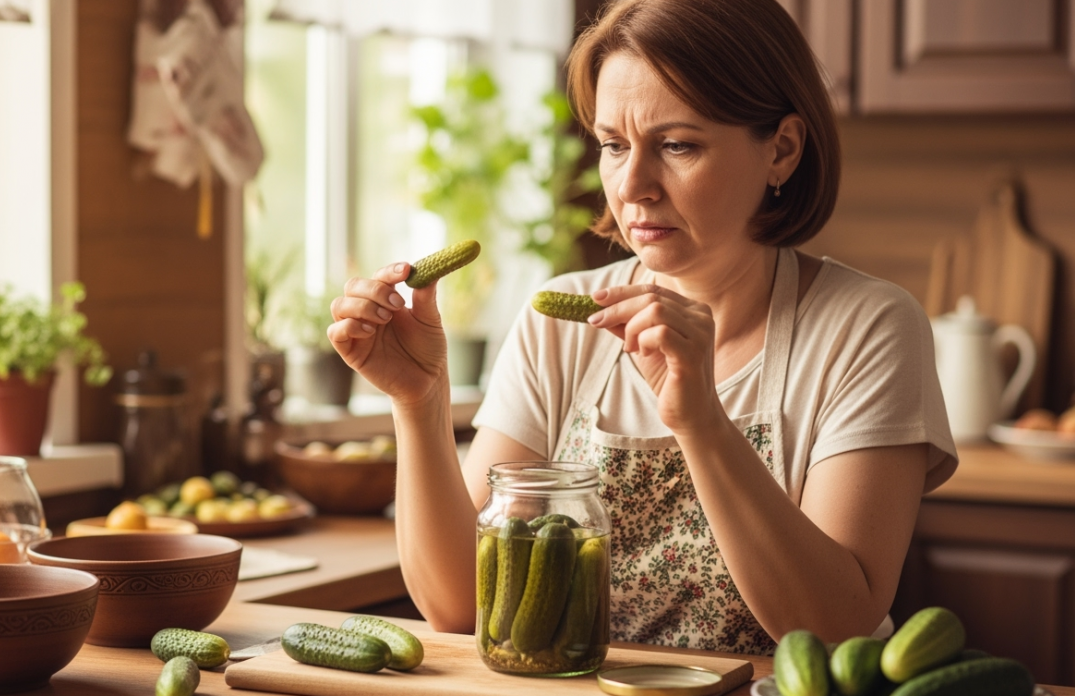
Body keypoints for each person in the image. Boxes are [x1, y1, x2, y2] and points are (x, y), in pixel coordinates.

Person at [327, 0, 957, 655]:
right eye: (613, 145)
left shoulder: (867, 329)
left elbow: (840, 627)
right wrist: (419, 399)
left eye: (677, 144)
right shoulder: (560, 323)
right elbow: (461, 606)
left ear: (783, 151)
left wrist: (702, 420)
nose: (632, 186)